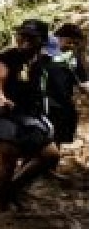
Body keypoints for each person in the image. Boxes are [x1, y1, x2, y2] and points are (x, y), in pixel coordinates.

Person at [0, 20, 63, 212]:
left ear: (42, 41)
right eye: (22, 36)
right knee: (8, 157)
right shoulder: (5, 58)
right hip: (2, 114)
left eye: (31, 38)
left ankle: (13, 188)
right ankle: (3, 205)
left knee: (50, 155)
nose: (25, 41)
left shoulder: (42, 61)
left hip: (28, 115)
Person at [47, 22, 86, 150]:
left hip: (63, 106)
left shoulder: (74, 58)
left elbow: (83, 82)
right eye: (69, 42)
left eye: (75, 43)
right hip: (43, 104)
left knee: (56, 142)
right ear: (57, 38)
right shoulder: (42, 53)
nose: (71, 46)